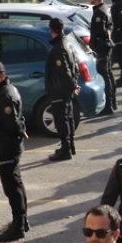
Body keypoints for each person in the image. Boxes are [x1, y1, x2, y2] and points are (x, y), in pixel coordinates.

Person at [0, 60, 29, 242]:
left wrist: (19, 132)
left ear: (2, 75)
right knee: (15, 185)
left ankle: (18, 227)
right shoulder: (0, 92)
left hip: (7, 148)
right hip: (5, 146)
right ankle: (22, 221)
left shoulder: (5, 94)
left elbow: (13, 122)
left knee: (12, 187)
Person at [45, 16, 79, 160]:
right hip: (65, 90)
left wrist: (72, 85)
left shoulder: (58, 48)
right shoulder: (68, 43)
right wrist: (74, 84)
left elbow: (64, 70)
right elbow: (75, 66)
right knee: (68, 118)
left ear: (51, 30)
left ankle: (66, 150)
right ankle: (70, 146)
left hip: (59, 90)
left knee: (61, 120)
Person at [86, 0, 117, 114]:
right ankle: (113, 102)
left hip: (102, 48)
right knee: (108, 74)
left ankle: (108, 105)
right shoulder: (104, 9)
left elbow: (101, 31)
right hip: (105, 46)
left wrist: (96, 44)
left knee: (104, 76)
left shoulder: (99, 12)